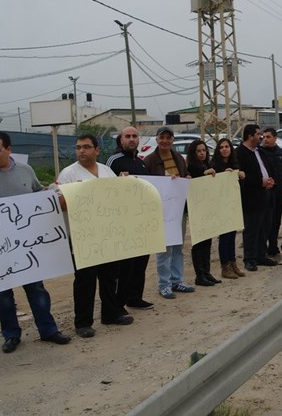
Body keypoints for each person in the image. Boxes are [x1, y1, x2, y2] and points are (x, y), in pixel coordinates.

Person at [0, 131, 71, 353]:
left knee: (37, 289)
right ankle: (11, 335)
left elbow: (37, 191)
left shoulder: (25, 170)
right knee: (3, 295)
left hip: (26, 243)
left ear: (9, 150)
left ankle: (48, 330)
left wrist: (50, 192)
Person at [57, 134, 134, 338]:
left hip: (107, 233)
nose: (81, 151)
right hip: (84, 235)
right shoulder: (69, 174)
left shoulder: (107, 171)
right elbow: (60, 204)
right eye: (78, 147)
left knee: (109, 276)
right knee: (85, 280)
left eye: (86, 147)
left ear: (97, 150)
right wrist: (80, 193)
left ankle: (111, 313)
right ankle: (83, 322)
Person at [143, 126, 196, 298]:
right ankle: (164, 284)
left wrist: (186, 178)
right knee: (164, 249)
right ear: (157, 139)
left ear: (172, 140)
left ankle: (177, 281)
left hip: (178, 209)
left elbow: (185, 174)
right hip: (161, 212)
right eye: (162, 137)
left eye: (168, 138)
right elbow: (147, 185)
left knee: (178, 247)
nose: (165, 141)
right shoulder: (150, 160)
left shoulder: (179, 157)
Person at [106, 126, 154, 310]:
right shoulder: (114, 160)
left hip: (141, 220)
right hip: (123, 221)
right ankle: (119, 303)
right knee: (125, 265)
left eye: (134, 136)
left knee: (140, 262)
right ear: (121, 139)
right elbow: (106, 186)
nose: (132, 139)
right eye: (128, 136)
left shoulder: (140, 162)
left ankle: (135, 297)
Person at [235, 124, 278, 272]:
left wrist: (271, 180)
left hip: (266, 195)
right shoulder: (240, 153)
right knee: (251, 229)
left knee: (264, 227)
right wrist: (260, 182)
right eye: (258, 134)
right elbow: (241, 176)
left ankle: (261, 255)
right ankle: (250, 259)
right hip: (251, 197)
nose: (261, 137)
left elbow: (267, 169)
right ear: (250, 136)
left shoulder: (260, 151)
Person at [186, 140, 221, 286]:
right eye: (198, 151)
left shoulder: (207, 165)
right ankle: (199, 275)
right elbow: (193, 181)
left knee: (208, 241)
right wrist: (204, 174)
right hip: (196, 208)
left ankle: (206, 272)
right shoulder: (191, 167)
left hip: (207, 207)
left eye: (204, 150)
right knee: (199, 242)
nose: (202, 153)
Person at [211, 138, 246, 279]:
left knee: (232, 236)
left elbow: (240, 188)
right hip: (220, 206)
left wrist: (240, 176)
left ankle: (233, 264)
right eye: (221, 147)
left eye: (227, 146)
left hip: (233, 205)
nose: (224, 149)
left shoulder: (235, 164)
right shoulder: (214, 165)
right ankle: (224, 267)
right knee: (224, 237)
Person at [261, 128, 282, 260]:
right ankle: (263, 250)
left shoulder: (280, 152)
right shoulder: (261, 153)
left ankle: (273, 249)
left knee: (276, 222)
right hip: (267, 194)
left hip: (280, 194)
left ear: (274, 138)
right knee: (266, 222)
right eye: (264, 137)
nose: (265, 139)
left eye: (268, 137)